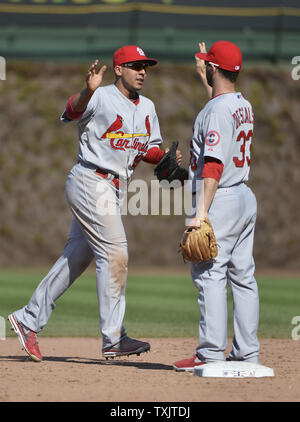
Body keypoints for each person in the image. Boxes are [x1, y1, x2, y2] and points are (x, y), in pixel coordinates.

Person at [9, 45, 181, 362]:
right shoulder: (100, 96)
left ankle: (27, 319)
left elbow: (146, 150)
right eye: (135, 65)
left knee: (74, 259)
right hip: (91, 179)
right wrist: (86, 92)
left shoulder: (148, 107)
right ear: (118, 69)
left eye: (146, 66)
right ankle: (113, 338)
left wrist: (167, 159)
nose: (142, 71)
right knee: (116, 252)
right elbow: (72, 111)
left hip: (112, 188)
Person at [173, 41, 260, 371]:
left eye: (208, 64)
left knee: (209, 275)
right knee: (243, 276)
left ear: (213, 67)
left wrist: (201, 212)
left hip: (219, 196)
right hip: (244, 197)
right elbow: (220, 108)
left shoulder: (217, 110)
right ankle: (247, 352)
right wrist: (205, 80)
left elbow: (212, 163)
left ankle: (210, 353)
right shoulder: (242, 104)